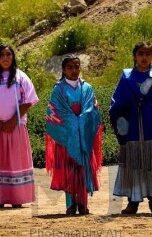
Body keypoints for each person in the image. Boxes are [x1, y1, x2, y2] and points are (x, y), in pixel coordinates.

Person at [110, 42, 152, 215]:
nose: (144, 57)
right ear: (134, 56)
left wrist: (146, 105)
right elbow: (118, 100)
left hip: (151, 129)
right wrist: (130, 106)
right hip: (132, 128)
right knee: (134, 165)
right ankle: (133, 202)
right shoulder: (127, 77)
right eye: (140, 54)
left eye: (147, 54)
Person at [45, 55, 103, 216]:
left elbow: (91, 109)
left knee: (83, 170)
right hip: (67, 138)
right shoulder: (58, 89)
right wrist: (73, 123)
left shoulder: (87, 88)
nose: (74, 70)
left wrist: (82, 121)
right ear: (63, 70)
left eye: (77, 67)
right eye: (70, 67)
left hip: (83, 137)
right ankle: (70, 205)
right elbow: (56, 111)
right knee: (69, 170)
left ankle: (83, 204)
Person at [0, 45, 37, 208]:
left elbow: (28, 101)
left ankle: (17, 198)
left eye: (8, 54)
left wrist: (12, 121)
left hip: (16, 126)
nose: (5, 58)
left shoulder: (20, 77)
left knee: (16, 161)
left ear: (13, 57)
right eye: (1, 55)